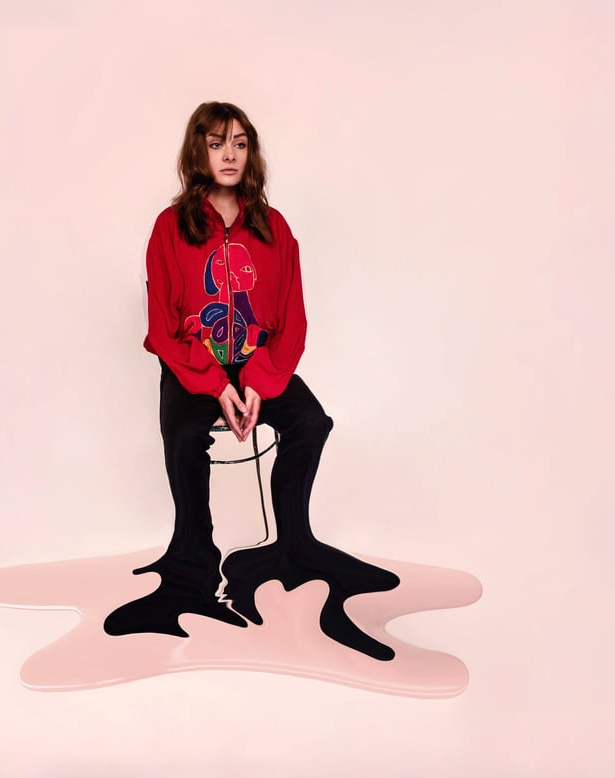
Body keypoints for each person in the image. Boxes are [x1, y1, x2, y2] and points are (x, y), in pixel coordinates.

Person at [104, 102, 400, 660]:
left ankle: (293, 546)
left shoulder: (274, 225)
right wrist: (217, 386)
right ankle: (193, 563)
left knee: (312, 423)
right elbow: (163, 327)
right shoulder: (170, 228)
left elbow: (293, 318)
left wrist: (259, 383)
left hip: (259, 360)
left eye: (240, 143)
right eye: (217, 143)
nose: (230, 154)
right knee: (185, 436)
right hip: (193, 361)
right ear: (198, 151)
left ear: (252, 151)